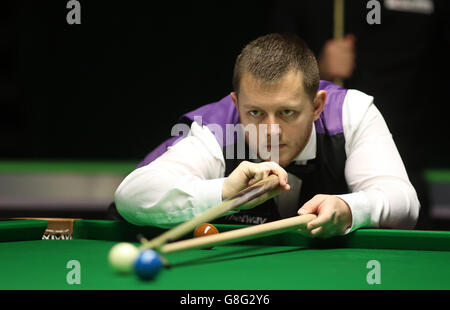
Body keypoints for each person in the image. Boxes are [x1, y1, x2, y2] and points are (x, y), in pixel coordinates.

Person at [114, 33, 420, 238]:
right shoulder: (215, 128)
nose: (271, 131)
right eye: (256, 113)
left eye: (287, 112)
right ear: (237, 104)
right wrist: (225, 193)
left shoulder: (351, 114)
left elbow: (404, 203)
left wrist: (348, 208)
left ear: (316, 105)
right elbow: (130, 196)